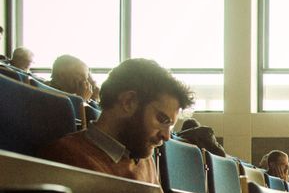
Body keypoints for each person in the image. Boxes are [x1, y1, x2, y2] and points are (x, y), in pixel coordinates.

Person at [40, 58, 194, 184]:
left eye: (170, 126)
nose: (166, 136)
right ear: (128, 101)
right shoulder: (68, 158)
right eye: (162, 119)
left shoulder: (145, 161)